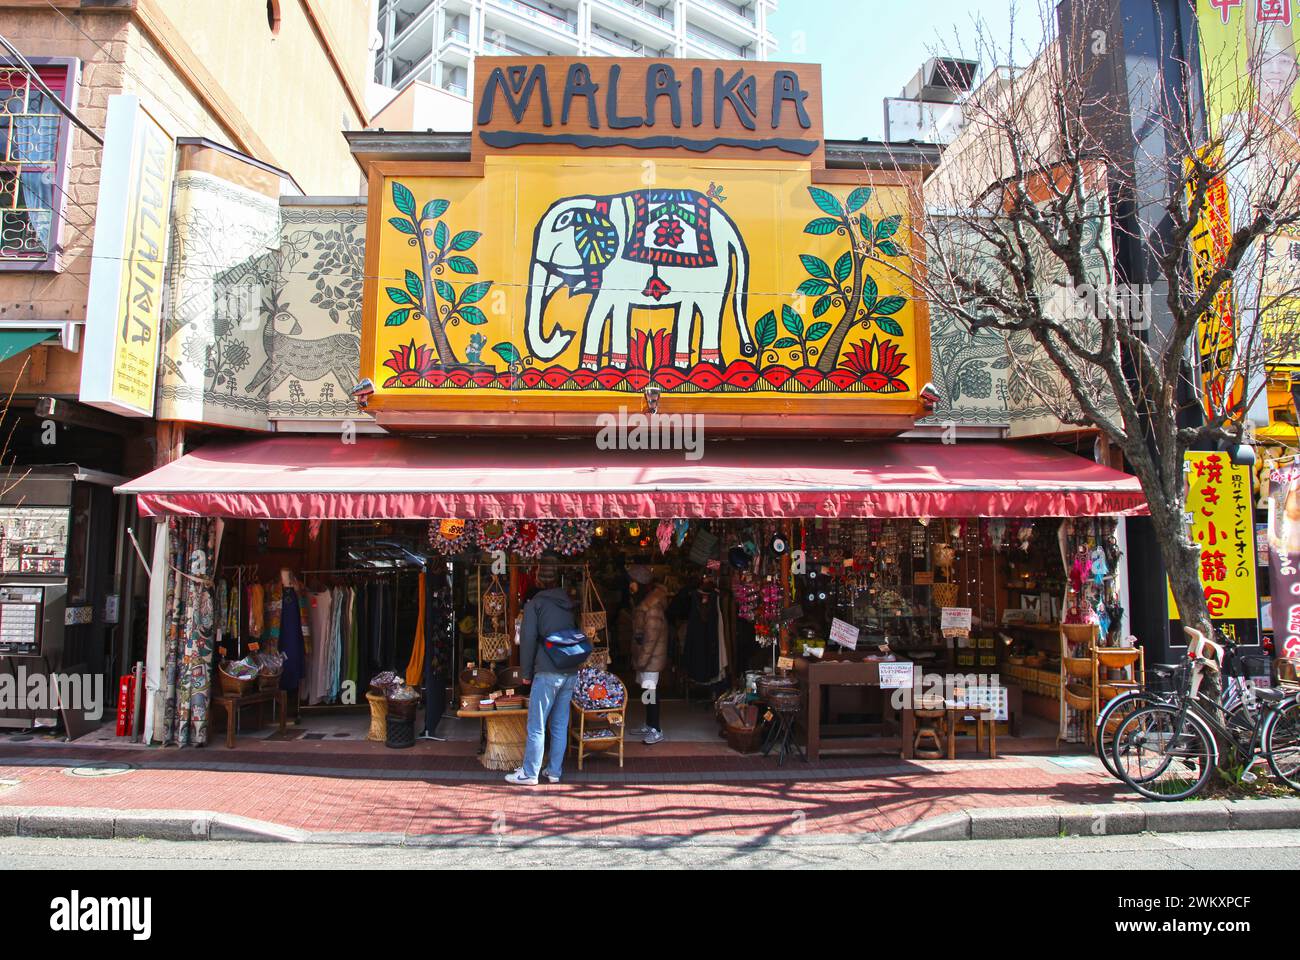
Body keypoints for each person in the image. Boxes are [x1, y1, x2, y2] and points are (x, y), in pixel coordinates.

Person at [505, 560, 581, 786]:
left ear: (538, 581)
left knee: (537, 724)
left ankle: (530, 773)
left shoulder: (534, 605)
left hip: (547, 671)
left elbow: (527, 640)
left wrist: (525, 672)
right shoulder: (568, 603)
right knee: (559, 724)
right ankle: (554, 771)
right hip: (569, 669)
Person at [627, 565, 669, 744]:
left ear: (640, 583)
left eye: (632, 581)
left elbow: (651, 638)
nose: (630, 585)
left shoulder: (652, 607)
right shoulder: (643, 601)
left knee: (651, 693)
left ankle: (656, 729)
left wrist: (642, 660)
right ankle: (649, 723)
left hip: (650, 658)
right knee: (647, 691)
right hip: (645, 656)